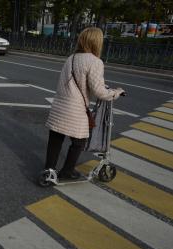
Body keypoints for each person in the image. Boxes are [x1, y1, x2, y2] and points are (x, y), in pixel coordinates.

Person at [44, 27, 124, 180]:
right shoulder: (95, 62)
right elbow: (99, 91)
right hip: (75, 108)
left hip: (59, 105)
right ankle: (67, 171)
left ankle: (49, 171)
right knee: (79, 141)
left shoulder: (71, 58)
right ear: (97, 42)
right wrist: (116, 92)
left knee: (55, 139)